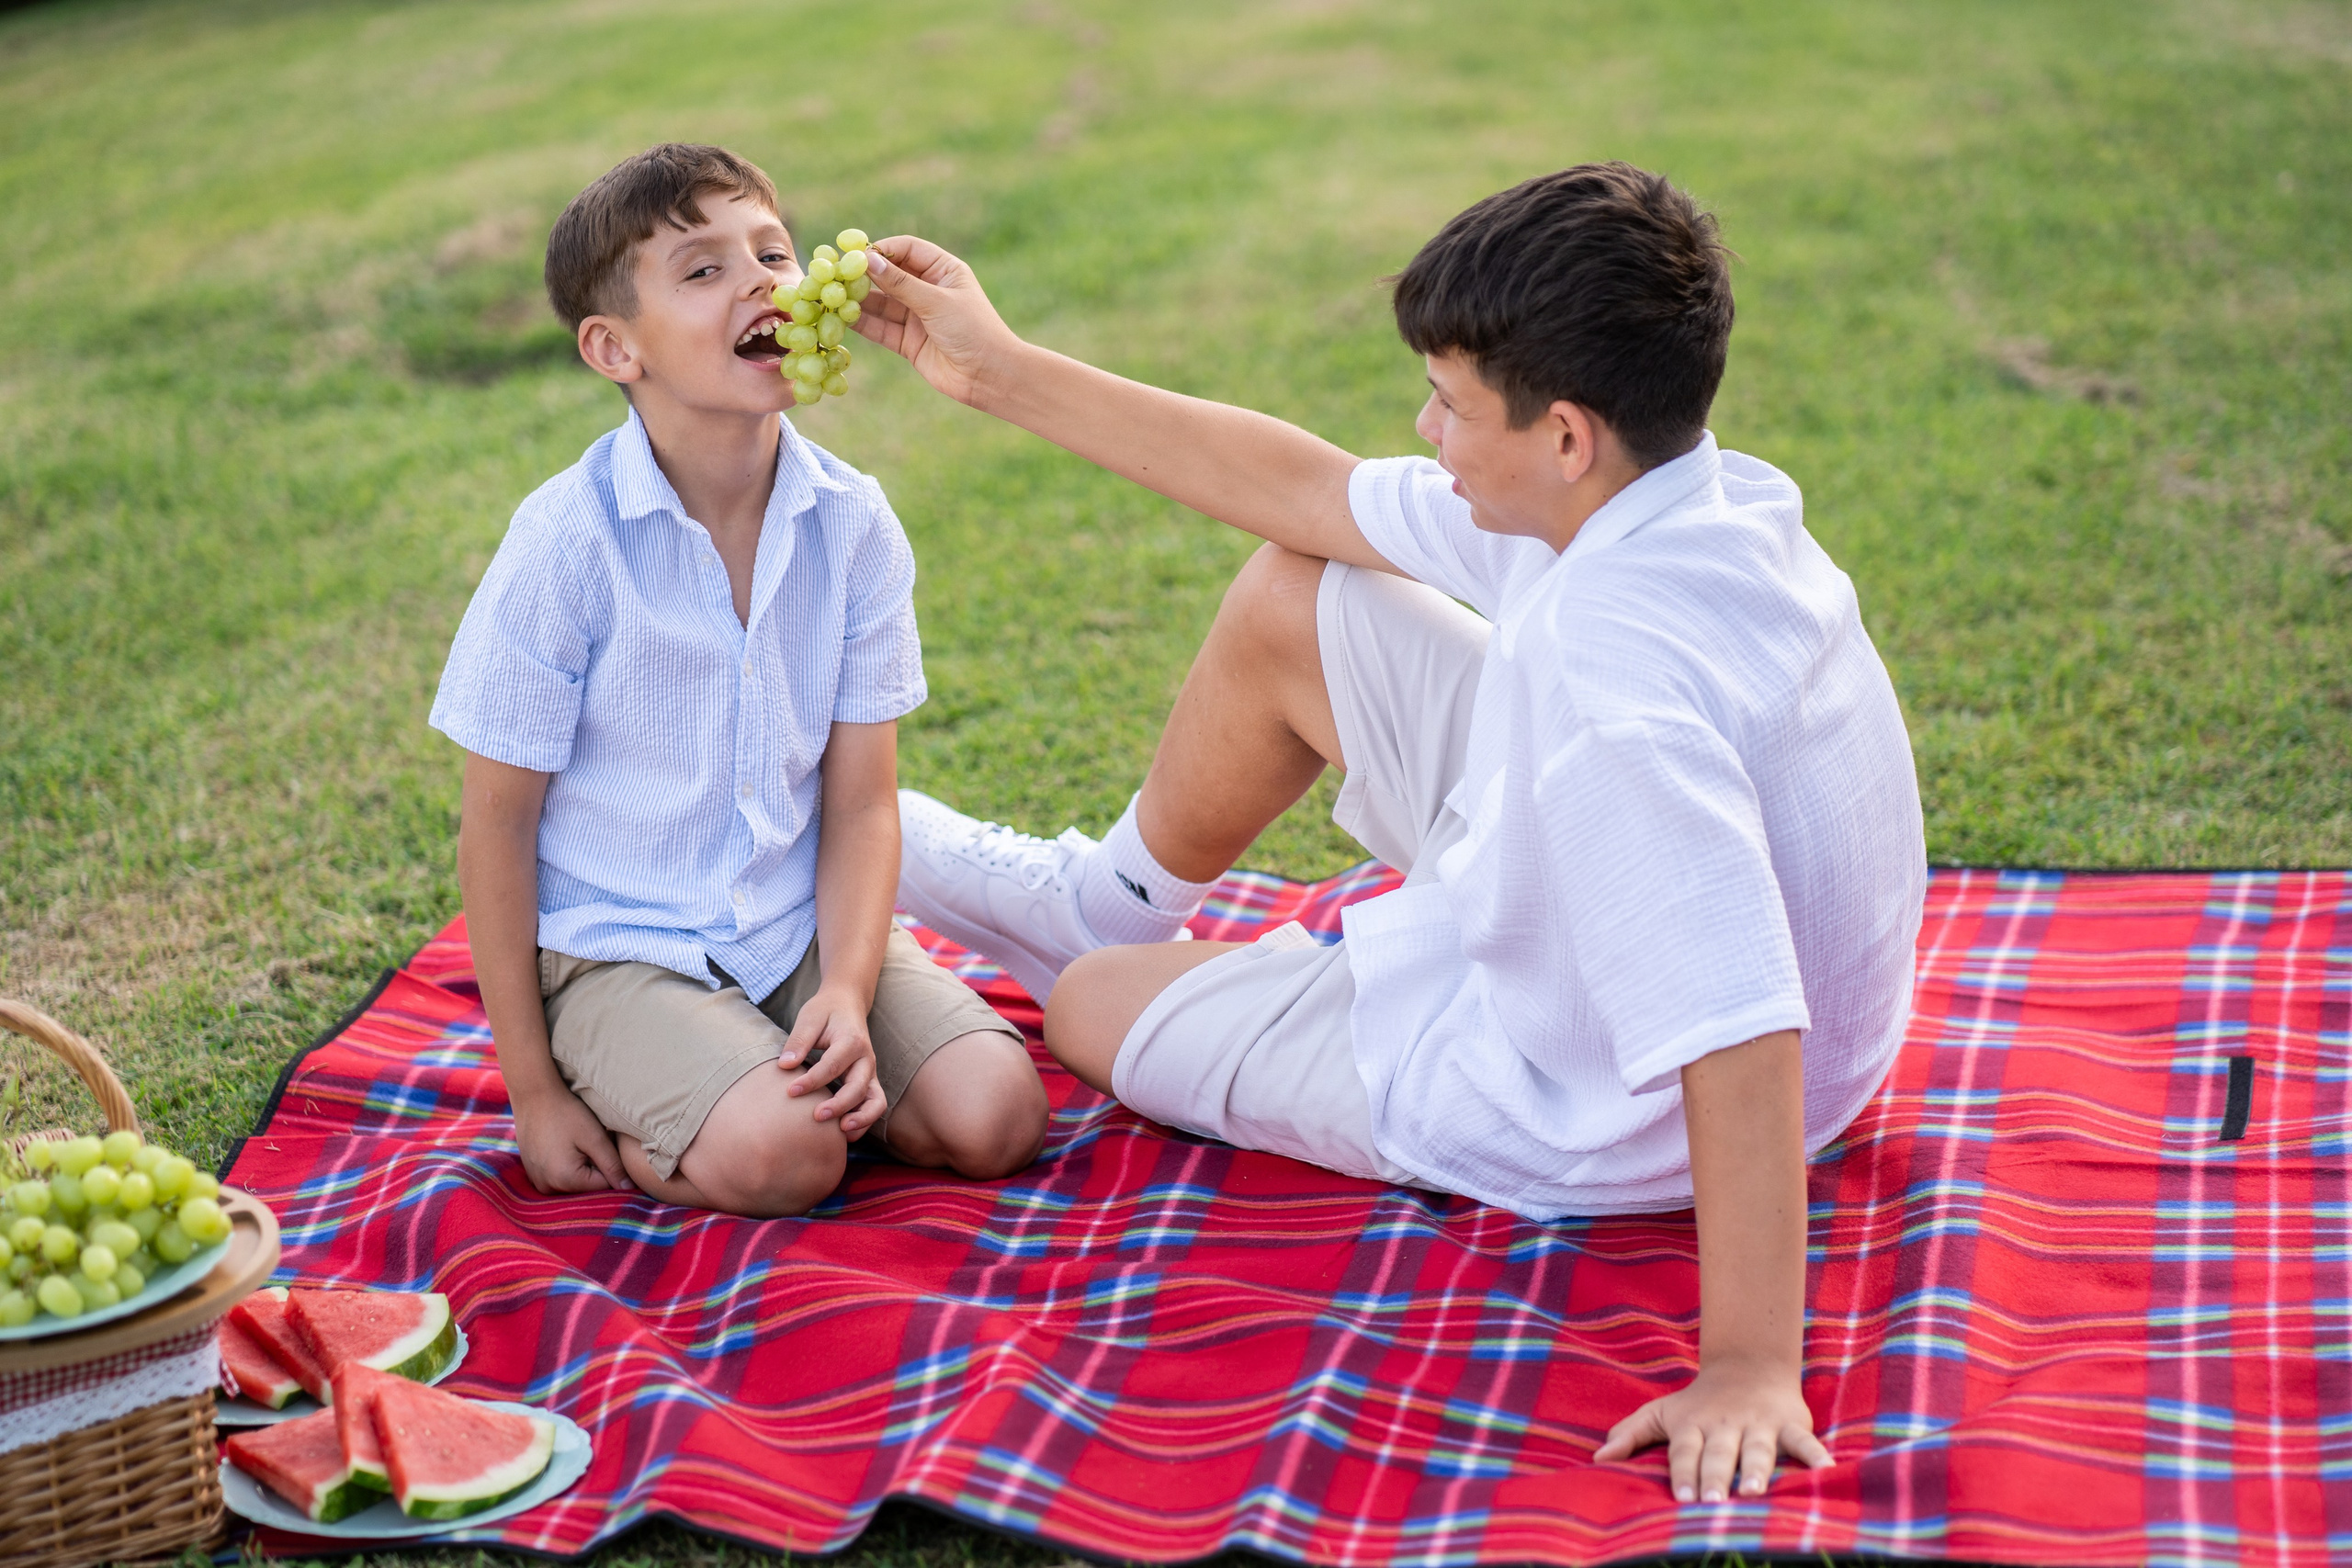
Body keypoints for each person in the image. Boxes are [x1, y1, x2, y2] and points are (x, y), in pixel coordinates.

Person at [855, 163, 1927, 1502]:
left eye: (1452, 403)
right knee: (1298, 589)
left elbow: (1740, 1022)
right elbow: (1308, 490)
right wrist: (995, 368)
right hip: (1699, 965)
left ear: (1567, 435)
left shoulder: (1616, 692)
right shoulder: (1693, 499)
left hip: (1596, 1096)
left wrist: (1756, 1361)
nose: (1426, 427)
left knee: (1088, 1007)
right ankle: (1105, 889)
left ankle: (1100, 943)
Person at [430, 144, 1048, 1220]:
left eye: (771, 250)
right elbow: (495, 825)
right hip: (620, 949)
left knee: (996, 1114)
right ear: (615, 347)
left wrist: (849, 996)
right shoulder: (566, 546)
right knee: (790, 1154)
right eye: (702, 270)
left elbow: (859, 804)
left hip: (794, 927)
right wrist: (531, 1093)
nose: (765, 279)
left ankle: (773, 1071)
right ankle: (657, 1090)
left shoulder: (852, 524)